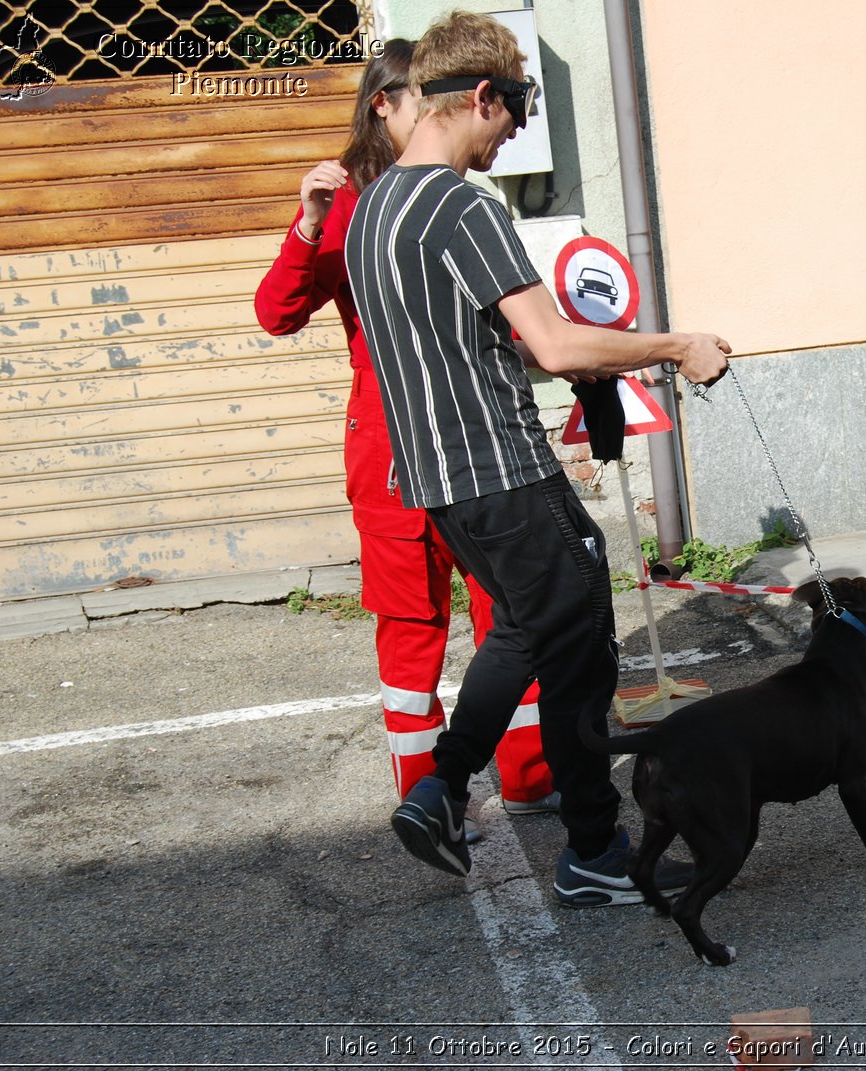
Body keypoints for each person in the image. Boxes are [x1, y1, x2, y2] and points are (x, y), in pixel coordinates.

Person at [345, 11, 730, 900]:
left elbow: (479, 340)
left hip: (437, 482)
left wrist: (598, 362)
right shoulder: (456, 204)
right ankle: (588, 846)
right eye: (511, 115)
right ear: (480, 95)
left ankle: (445, 789)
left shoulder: (374, 214)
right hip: (502, 470)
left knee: (531, 627)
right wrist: (674, 347)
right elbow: (553, 346)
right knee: (580, 644)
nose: (510, 135)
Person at [253, 39, 557, 829]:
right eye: (413, 98)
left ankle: (526, 775)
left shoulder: (454, 195)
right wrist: (307, 225)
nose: (431, 113)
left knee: (507, 611)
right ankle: (429, 793)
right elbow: (277, 312)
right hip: (389, 455)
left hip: (467, 438)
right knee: (412, 626)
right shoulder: (354, 204)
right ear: (383, 106)